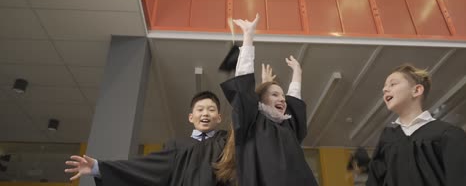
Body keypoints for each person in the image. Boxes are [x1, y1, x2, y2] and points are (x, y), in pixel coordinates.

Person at [215, 14, 318, 186]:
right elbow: (244, 82)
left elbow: (294, 100)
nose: (283, 100)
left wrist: (297, 74)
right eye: (275, 95)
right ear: (259, 101)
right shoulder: (252, 121)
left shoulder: (288, 125)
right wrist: (248, 36)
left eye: (282, 96)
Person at [65, 91, 229, 186]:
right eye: (200, 109)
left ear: (219, 117)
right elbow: (144, 168)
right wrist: (99, 168)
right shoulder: (176, 146)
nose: (205, 113)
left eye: (211, 109)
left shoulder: (227, 143)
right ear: (191, 117)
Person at [366, 64, 466, 186]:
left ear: (416, 90)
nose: (385, 89)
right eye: (385, 87)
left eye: (392, 84)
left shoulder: (449, 134)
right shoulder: (387, 139)